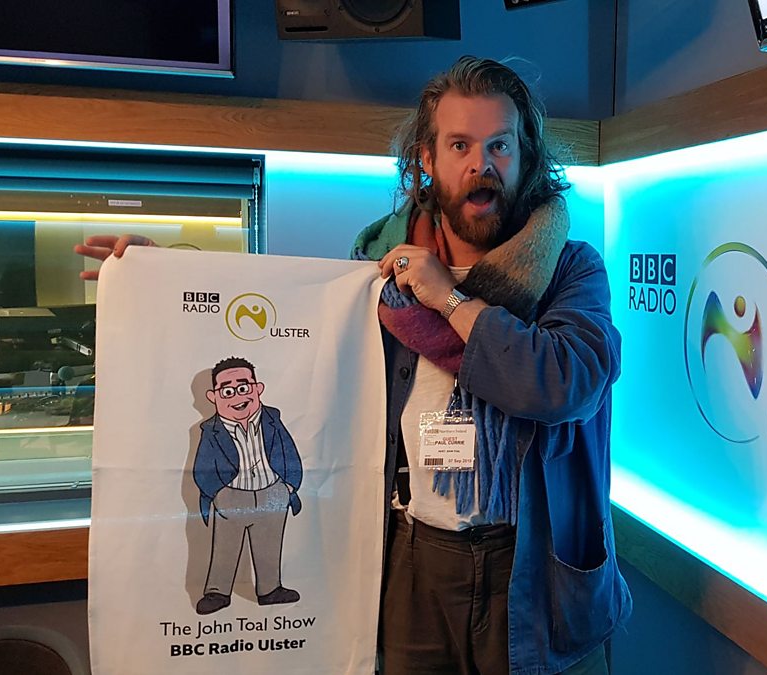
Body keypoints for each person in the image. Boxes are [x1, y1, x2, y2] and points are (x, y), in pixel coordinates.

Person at [76, 55, 630, 675]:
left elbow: (562, 383)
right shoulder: (377, 277)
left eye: (500, 145)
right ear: (426, 159)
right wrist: (164, 275)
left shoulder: (571, 268)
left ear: (525, 157)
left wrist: (448, 298)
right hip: (414, 559)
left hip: (531, 562)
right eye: (460, 145)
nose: (482, 164)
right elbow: (284, 334)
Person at [192, 356, 303, 616]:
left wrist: (288, 487)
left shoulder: (272, 419)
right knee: (225, 546)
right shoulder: (211, 429)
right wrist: (217, 493)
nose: (237, 397)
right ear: (213, 397)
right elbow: (202, 466)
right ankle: (218, 592)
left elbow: (288, 452)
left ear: (258, 388)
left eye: (243, 387)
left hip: (272, 492)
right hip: (231, 495)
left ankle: (270, 589)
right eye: (227, 391)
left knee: (270, 544)